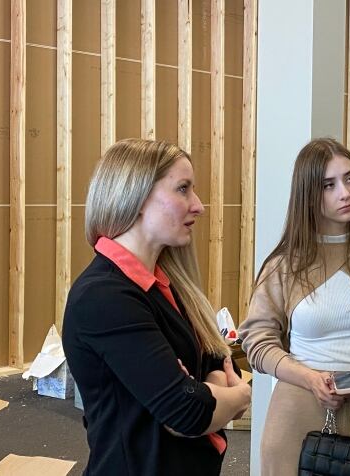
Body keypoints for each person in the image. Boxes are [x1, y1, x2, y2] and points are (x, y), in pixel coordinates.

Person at [62, 139, 251, 476]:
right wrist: (240, 395)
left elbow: (209, 361)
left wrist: (205, 393)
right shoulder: (104, 297)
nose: (198, 206)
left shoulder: (165, 282)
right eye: (183, 189)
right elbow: (187, 413)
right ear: (135, 198)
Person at [238, 138, 350, 475]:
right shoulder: (284, 265)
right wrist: (309, 379)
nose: (345, 192)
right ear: (308, 194)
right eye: (329, 184)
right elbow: (257, 341)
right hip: (298, 414)